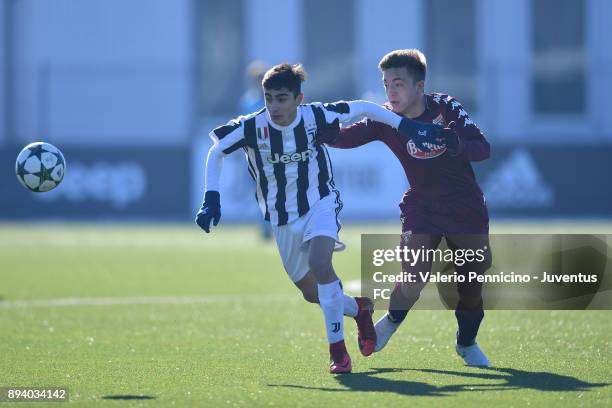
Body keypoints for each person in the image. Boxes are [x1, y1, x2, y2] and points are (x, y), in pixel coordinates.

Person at [195, 63, 443, 373]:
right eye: (269, 98)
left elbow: (366, 108)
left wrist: (405, 126)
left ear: (299, 99)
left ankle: (337, 352)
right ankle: (360, 309)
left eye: (282, 98)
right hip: (282, 219)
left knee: (321, 262)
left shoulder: (316, 116)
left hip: (320, 203)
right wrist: (211, 198)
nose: (274, 106)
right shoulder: (251, 126)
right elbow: (215, 151)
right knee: (313, 293)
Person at [322, 49, 493, 366]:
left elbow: (483, 149)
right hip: (422, 206)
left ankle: (466, 343)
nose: (390, 91)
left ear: (419, 86)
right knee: (413, 276)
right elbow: (346, 138)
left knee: (470, 288)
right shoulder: (386, 118)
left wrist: (455, 143)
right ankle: (391, 322)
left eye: (398, 83)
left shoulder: (446, 107)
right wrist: (318, 131)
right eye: (386, 84)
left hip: (465, 207)